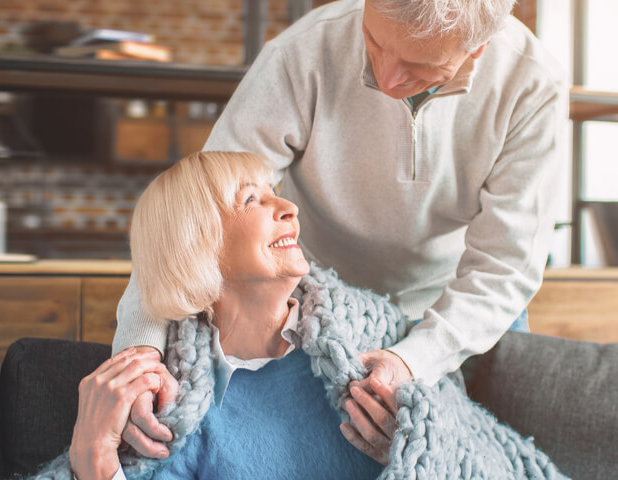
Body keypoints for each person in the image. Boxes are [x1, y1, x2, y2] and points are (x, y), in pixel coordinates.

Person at [112, 0, 568, 460]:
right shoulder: (300, 55)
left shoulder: (531, 85)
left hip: (458, 307)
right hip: (321, 308)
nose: (386, 79)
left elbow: (505, 266)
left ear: (478, 47)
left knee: (483, 455)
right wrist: (138, 357)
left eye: (417, 65)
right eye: (373, 43)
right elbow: (191, 220)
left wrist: (412, 359)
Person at [47, 151, 561, 480]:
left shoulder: (375, 344)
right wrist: (92, 460)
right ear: (198, 246)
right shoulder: (174, 403)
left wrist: (412, 451)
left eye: (277, 193)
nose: (287, 208)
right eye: (253, 200)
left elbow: (468, 452)